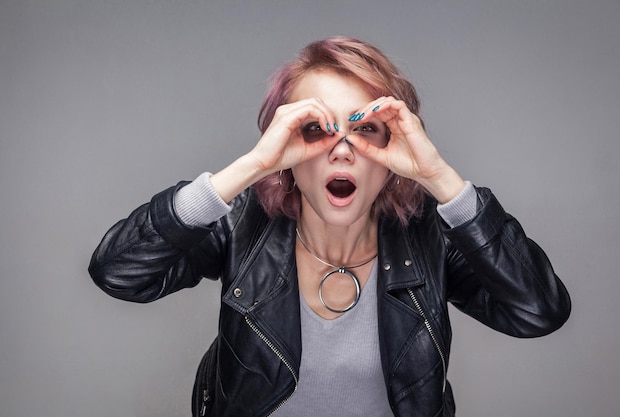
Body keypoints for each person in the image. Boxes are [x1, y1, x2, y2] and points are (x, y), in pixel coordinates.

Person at [88, 36, 571, 417]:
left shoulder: (429, 239)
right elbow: (118, 273)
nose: (341, 149)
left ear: (392, 155)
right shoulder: (243, 226)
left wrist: (439, 178)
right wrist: (253, 166)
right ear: (288, 152)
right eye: (316, 129)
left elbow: (538, 311)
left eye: (364, 127)